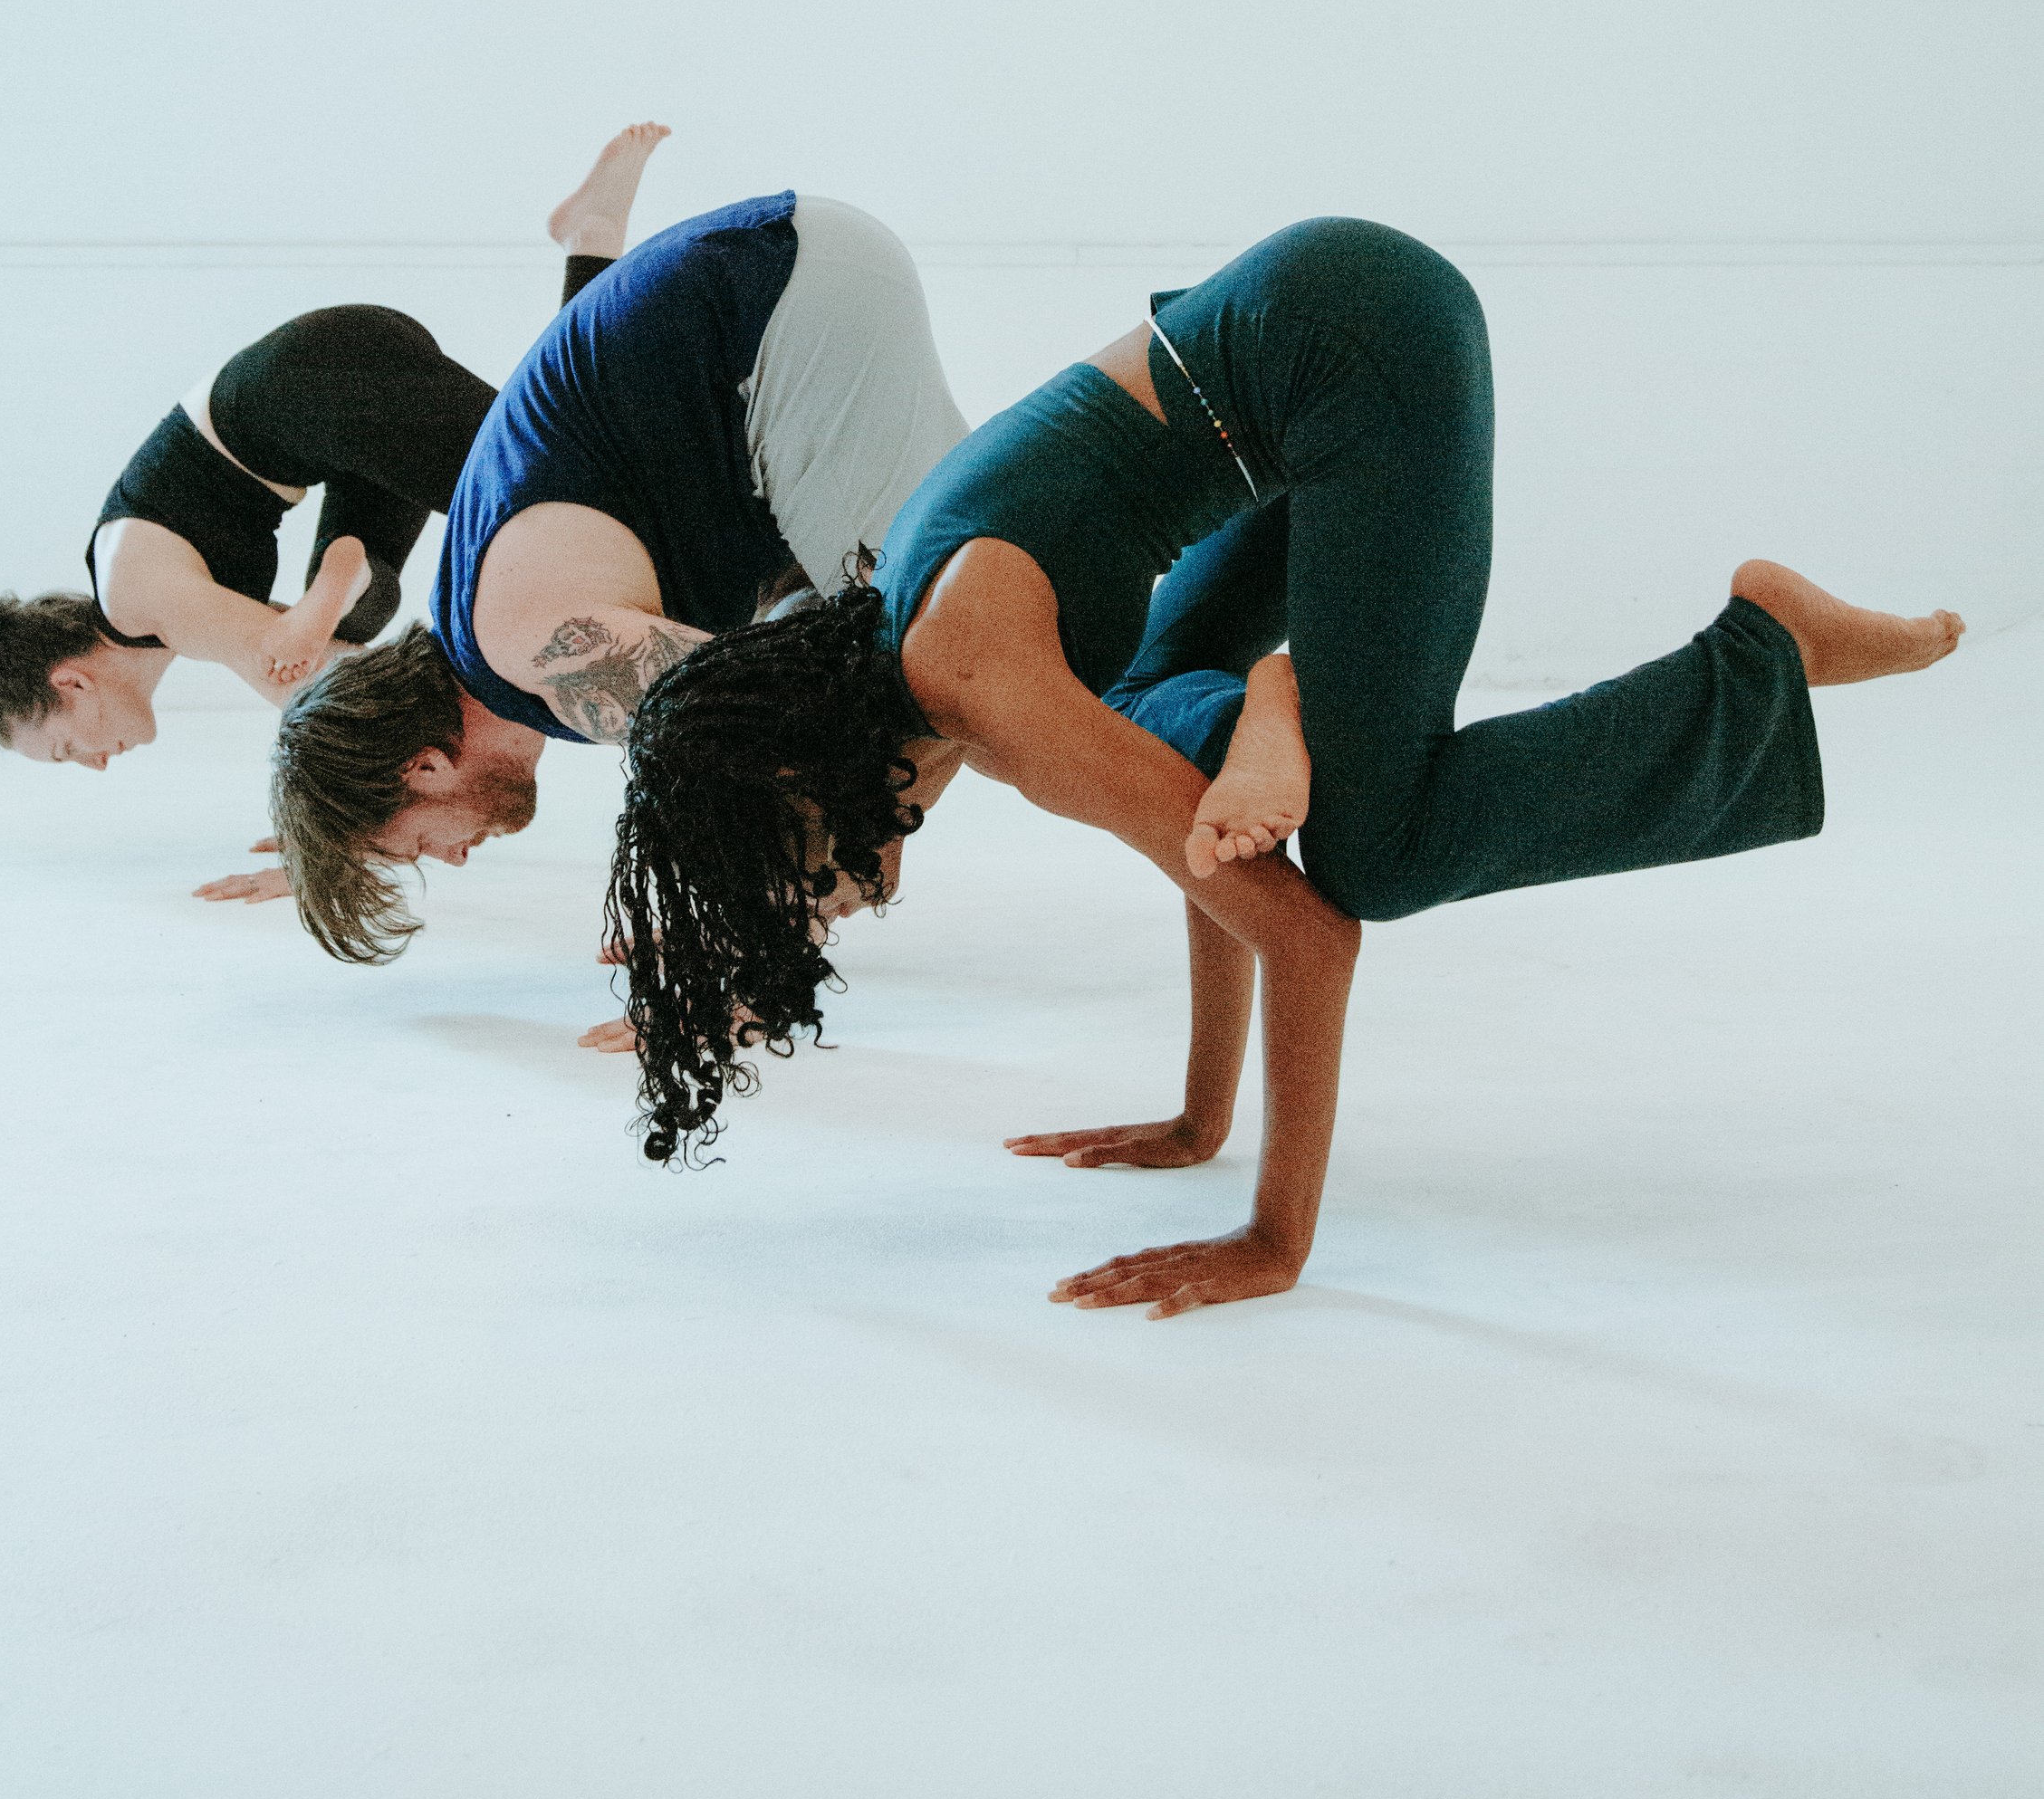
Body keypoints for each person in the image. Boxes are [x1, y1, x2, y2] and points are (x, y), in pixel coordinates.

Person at [600, 216, 1964, 1320]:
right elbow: (1196, 843)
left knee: (1382, 848)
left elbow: (1306, 939)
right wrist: (1199, 1118)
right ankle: (1272, 697)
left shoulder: (977, 687)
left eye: (805, 890)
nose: (837, 910)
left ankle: (1759, 651)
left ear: (805, 788)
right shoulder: (912, 645)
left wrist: (1270, 1233)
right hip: (1273, 354)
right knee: (1149, 714)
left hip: (1354, 349)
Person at [266, 192, 970, 1023]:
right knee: (890, 674)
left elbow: (820, 727)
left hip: (778, 302)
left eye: (418, 844)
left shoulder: (528, 644)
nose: (452, 860)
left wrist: (756, 944)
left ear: (422, 767)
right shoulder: (488, 629)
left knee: (947, 662)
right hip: (778, 282)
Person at [0, 124, 674, 790]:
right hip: (325, 417)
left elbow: (320, 702)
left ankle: (594, 235)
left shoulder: (136, 596)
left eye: (66, 750)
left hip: (316, 385)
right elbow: (330, 679)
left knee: (574, 491)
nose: (95, 764)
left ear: (70, 684)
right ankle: (347, 574)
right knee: (412, 583)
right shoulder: (152, 612)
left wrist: (318, 841)